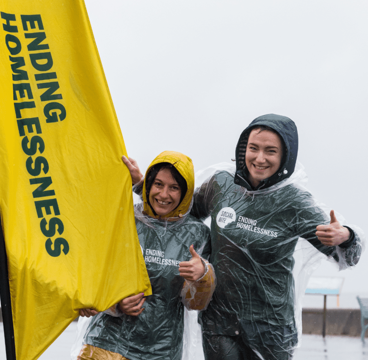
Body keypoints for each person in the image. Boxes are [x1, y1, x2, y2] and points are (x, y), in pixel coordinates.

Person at [189, 114, 363, 360]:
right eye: (253, 148)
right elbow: (182, 215)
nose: (260, 158)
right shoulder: (221, 185)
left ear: (285, 157)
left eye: (270, 151)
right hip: (220, 325)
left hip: (270, 329)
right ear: (243, 149)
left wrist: (346, 236)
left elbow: (348, 257)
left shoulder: (293, 201)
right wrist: (142, 186)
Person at [77, 151, 216, 360]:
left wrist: (202, 276)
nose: (163, 194)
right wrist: (115, 303)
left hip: (161, 351)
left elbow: (195, 304)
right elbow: (93, 274)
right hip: (107, 345)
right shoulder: (124, 219)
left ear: (185, 193)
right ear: (148, 185)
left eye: (174, 187)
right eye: (158, 184)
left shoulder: (197, 234)